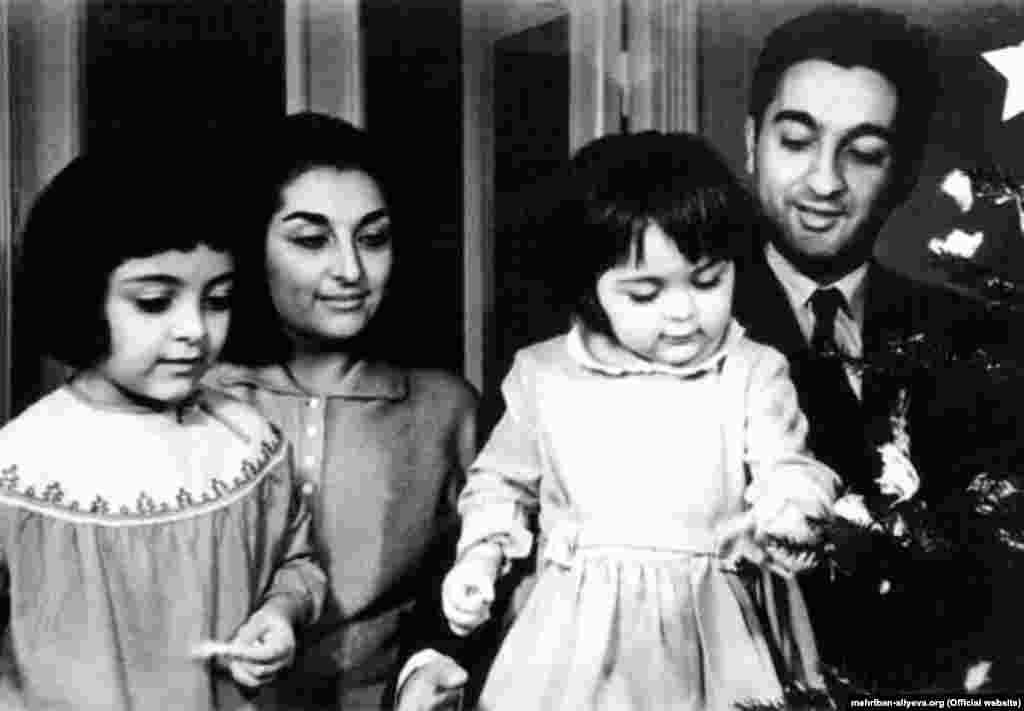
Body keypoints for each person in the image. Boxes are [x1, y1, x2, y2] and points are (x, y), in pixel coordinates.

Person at [440, 131, 838, 710]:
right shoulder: (544, 376)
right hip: (574, 644)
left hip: (715, 635)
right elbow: (500, 484)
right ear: (591, 291)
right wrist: (479, 559)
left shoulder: (752, 372)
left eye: (707, 281)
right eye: (645, 293)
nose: (682, 312)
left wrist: (789, 511)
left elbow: (788, 465)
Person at [736, 4, 1005, 691]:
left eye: (863, 152)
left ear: (904, 173)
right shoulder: (672, 330)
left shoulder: (980, 339)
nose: (825, 181)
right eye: (796, 140)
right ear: (751, 142)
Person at [0, 147, 326, 709]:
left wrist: (281, 615)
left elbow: (297, 566)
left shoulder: (250, 445)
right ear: (79, 296)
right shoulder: (18, 470)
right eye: (154, 302)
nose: (194, 330)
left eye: (217, 299)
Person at [208, 112, 479, 710]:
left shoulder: (447, 409)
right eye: (311, 240)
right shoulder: (197, 402)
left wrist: (432, 670)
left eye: (373, 237)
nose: (351, 270)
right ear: (252, 246)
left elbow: (475, 597)